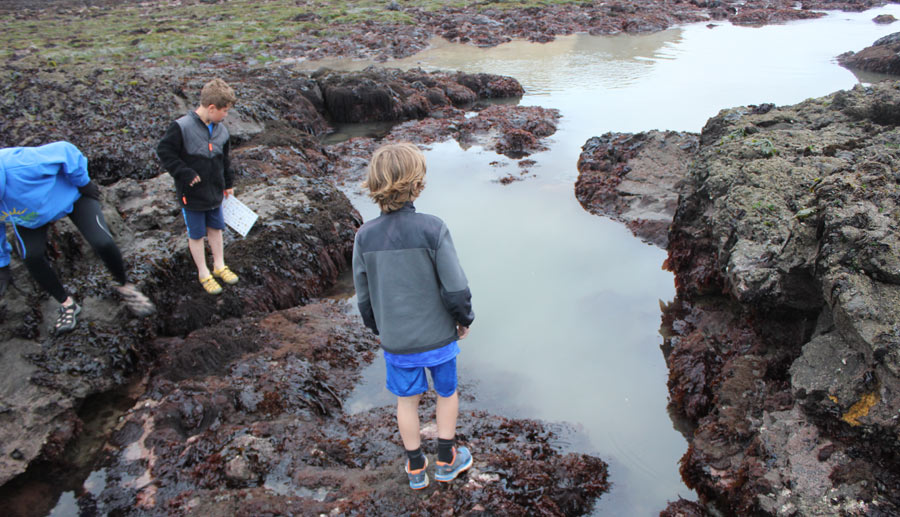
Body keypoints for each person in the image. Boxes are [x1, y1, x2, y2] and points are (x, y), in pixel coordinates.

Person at [352, 143, 475, 490]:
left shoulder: (364, 237)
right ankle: (448, 460)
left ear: (375, 185)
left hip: (397, 341)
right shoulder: (433, 228)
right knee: (446, 393)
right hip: (438, 337)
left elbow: (364, 298)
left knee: (406, 400)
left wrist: (381, 329)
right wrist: (463, 318)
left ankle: (416, 467)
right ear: (417, 183)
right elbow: (455, 288)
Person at [0, 141, 155, 334]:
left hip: (73, 195)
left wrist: (84, 183)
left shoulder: (20, 165)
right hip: (31, 219)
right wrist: (2, 264)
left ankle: (125, 286)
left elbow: (65, 150)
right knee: (31, 256)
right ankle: (67, 304)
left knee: (103, 242)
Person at [156, 78, 239, 295]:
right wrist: (185, 173)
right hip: (191, 195)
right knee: (196, 234)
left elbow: (225, 160)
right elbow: (165, 152)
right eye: (224, 111)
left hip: (215, 192)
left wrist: (228, 184)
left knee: (217, 227)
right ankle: (204, 273)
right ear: (211, 108)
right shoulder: (181, 127)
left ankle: (220, 265)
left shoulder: (221, 131)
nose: (226, 115)